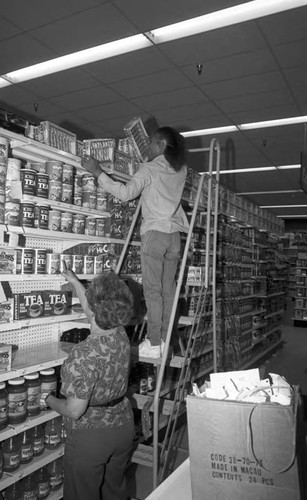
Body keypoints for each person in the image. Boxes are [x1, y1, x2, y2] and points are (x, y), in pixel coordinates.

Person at [81, 126, 189, 358]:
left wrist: (98, 172)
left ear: (160, 146)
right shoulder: (180, 170)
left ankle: (154, 343)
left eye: (151, 142)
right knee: (168, 291)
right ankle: (166, 339)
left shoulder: (149, 168)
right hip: (174, 237)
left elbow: (126, 193)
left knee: (152, 292)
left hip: (155, 235)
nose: (148, 146)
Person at [41, 265, 135, 500]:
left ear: (94, 309)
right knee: (114, 490)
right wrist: (74, 281)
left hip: (91, 436)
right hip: (122, 426)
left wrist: (48, 399)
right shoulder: (120, 333)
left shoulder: (84, 353)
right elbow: (94, 311)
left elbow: (74, 411)